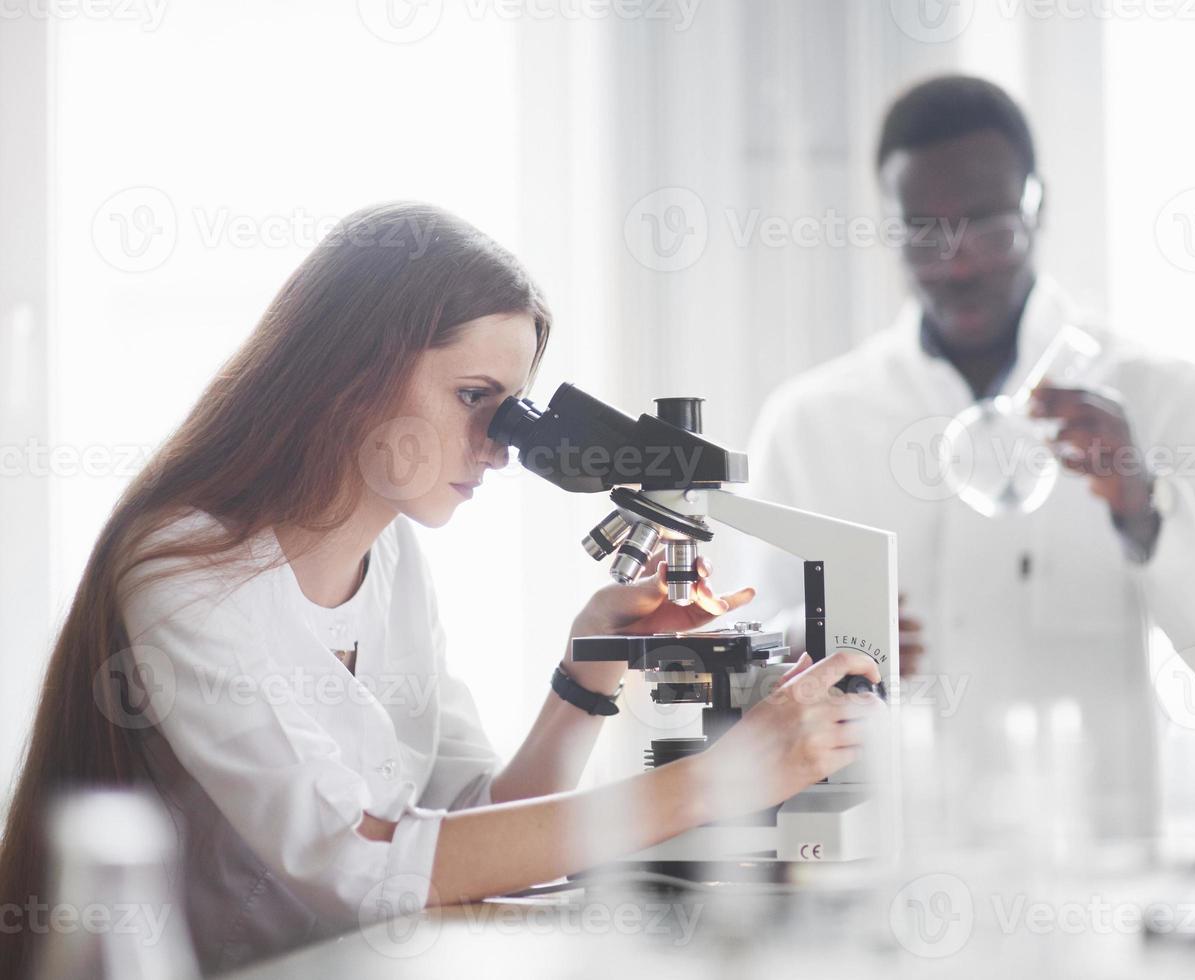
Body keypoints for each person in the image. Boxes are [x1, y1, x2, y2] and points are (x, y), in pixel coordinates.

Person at [0, 201, 884, 976]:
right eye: (475, 397)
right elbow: (362, 868)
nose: (502, 444)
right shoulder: (185, 572)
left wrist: (586, 676)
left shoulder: (390, 559)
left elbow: (474, 830)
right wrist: (718, 783)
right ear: (353, 373)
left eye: (513, 408)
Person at [731, 76, 1195, 836]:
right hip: (877, 882)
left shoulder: (1160, 398)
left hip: (1087, 881)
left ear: (1039, 205)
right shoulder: (810, 424)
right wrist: (818, 641)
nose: (958, 265)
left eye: (990, 227)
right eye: (925, 233)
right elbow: (742, 692)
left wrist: (1141, 505)